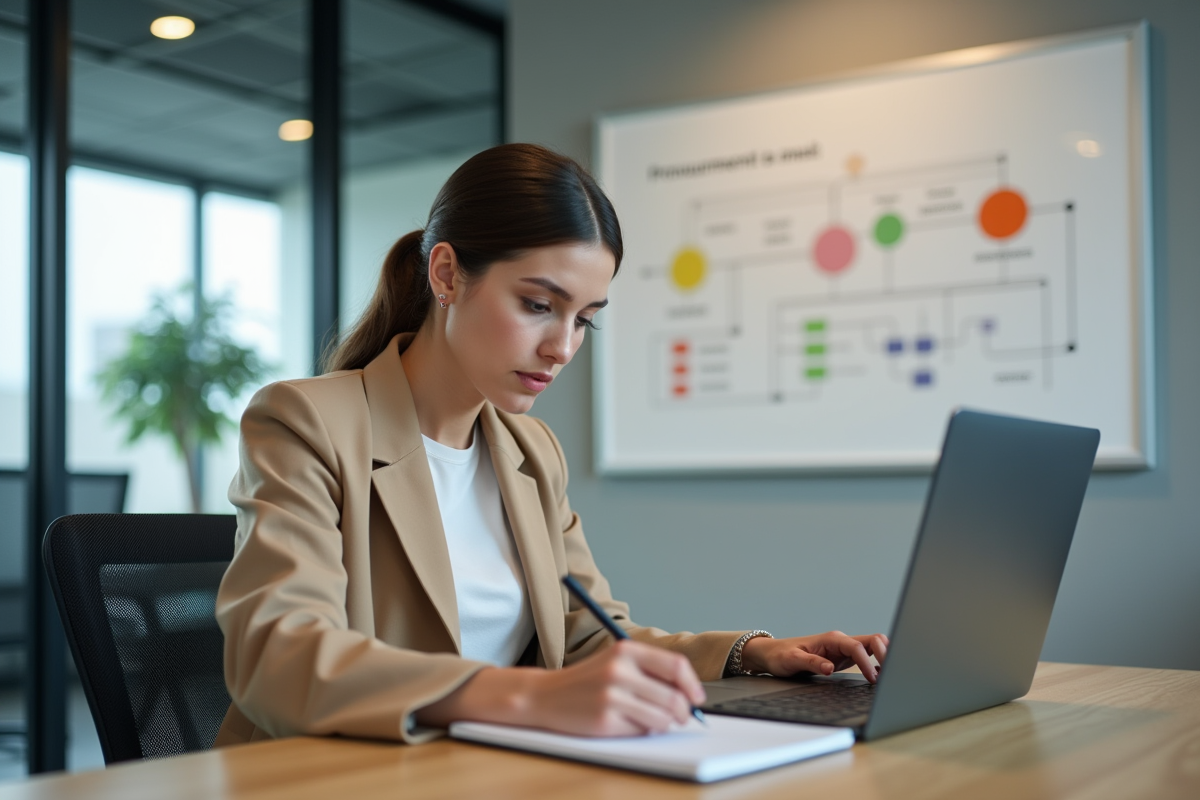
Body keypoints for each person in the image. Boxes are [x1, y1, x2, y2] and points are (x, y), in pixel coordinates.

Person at [214, 143, 888, 746]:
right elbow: (279, 657)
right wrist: (530, 697)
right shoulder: (306, 421)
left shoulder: (532, 451)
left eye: (583, 321)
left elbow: (588, 636)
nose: (561, 347)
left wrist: (752, 654)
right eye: (538, 304)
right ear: (445, 275)